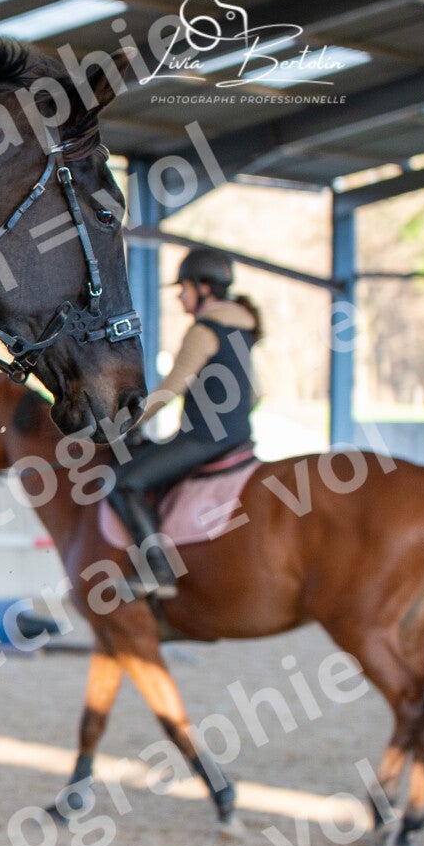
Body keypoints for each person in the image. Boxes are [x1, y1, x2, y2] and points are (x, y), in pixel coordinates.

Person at [107, 247, 262, 600]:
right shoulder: (243, 328)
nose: (180, 296)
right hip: (238, 439)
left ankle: (158, 569)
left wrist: (126, 423)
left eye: (184, 288)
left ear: (204, 288)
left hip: (202, 439)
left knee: (125, 482)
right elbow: (256, 393)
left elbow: (172, 387)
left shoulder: (204, 329)